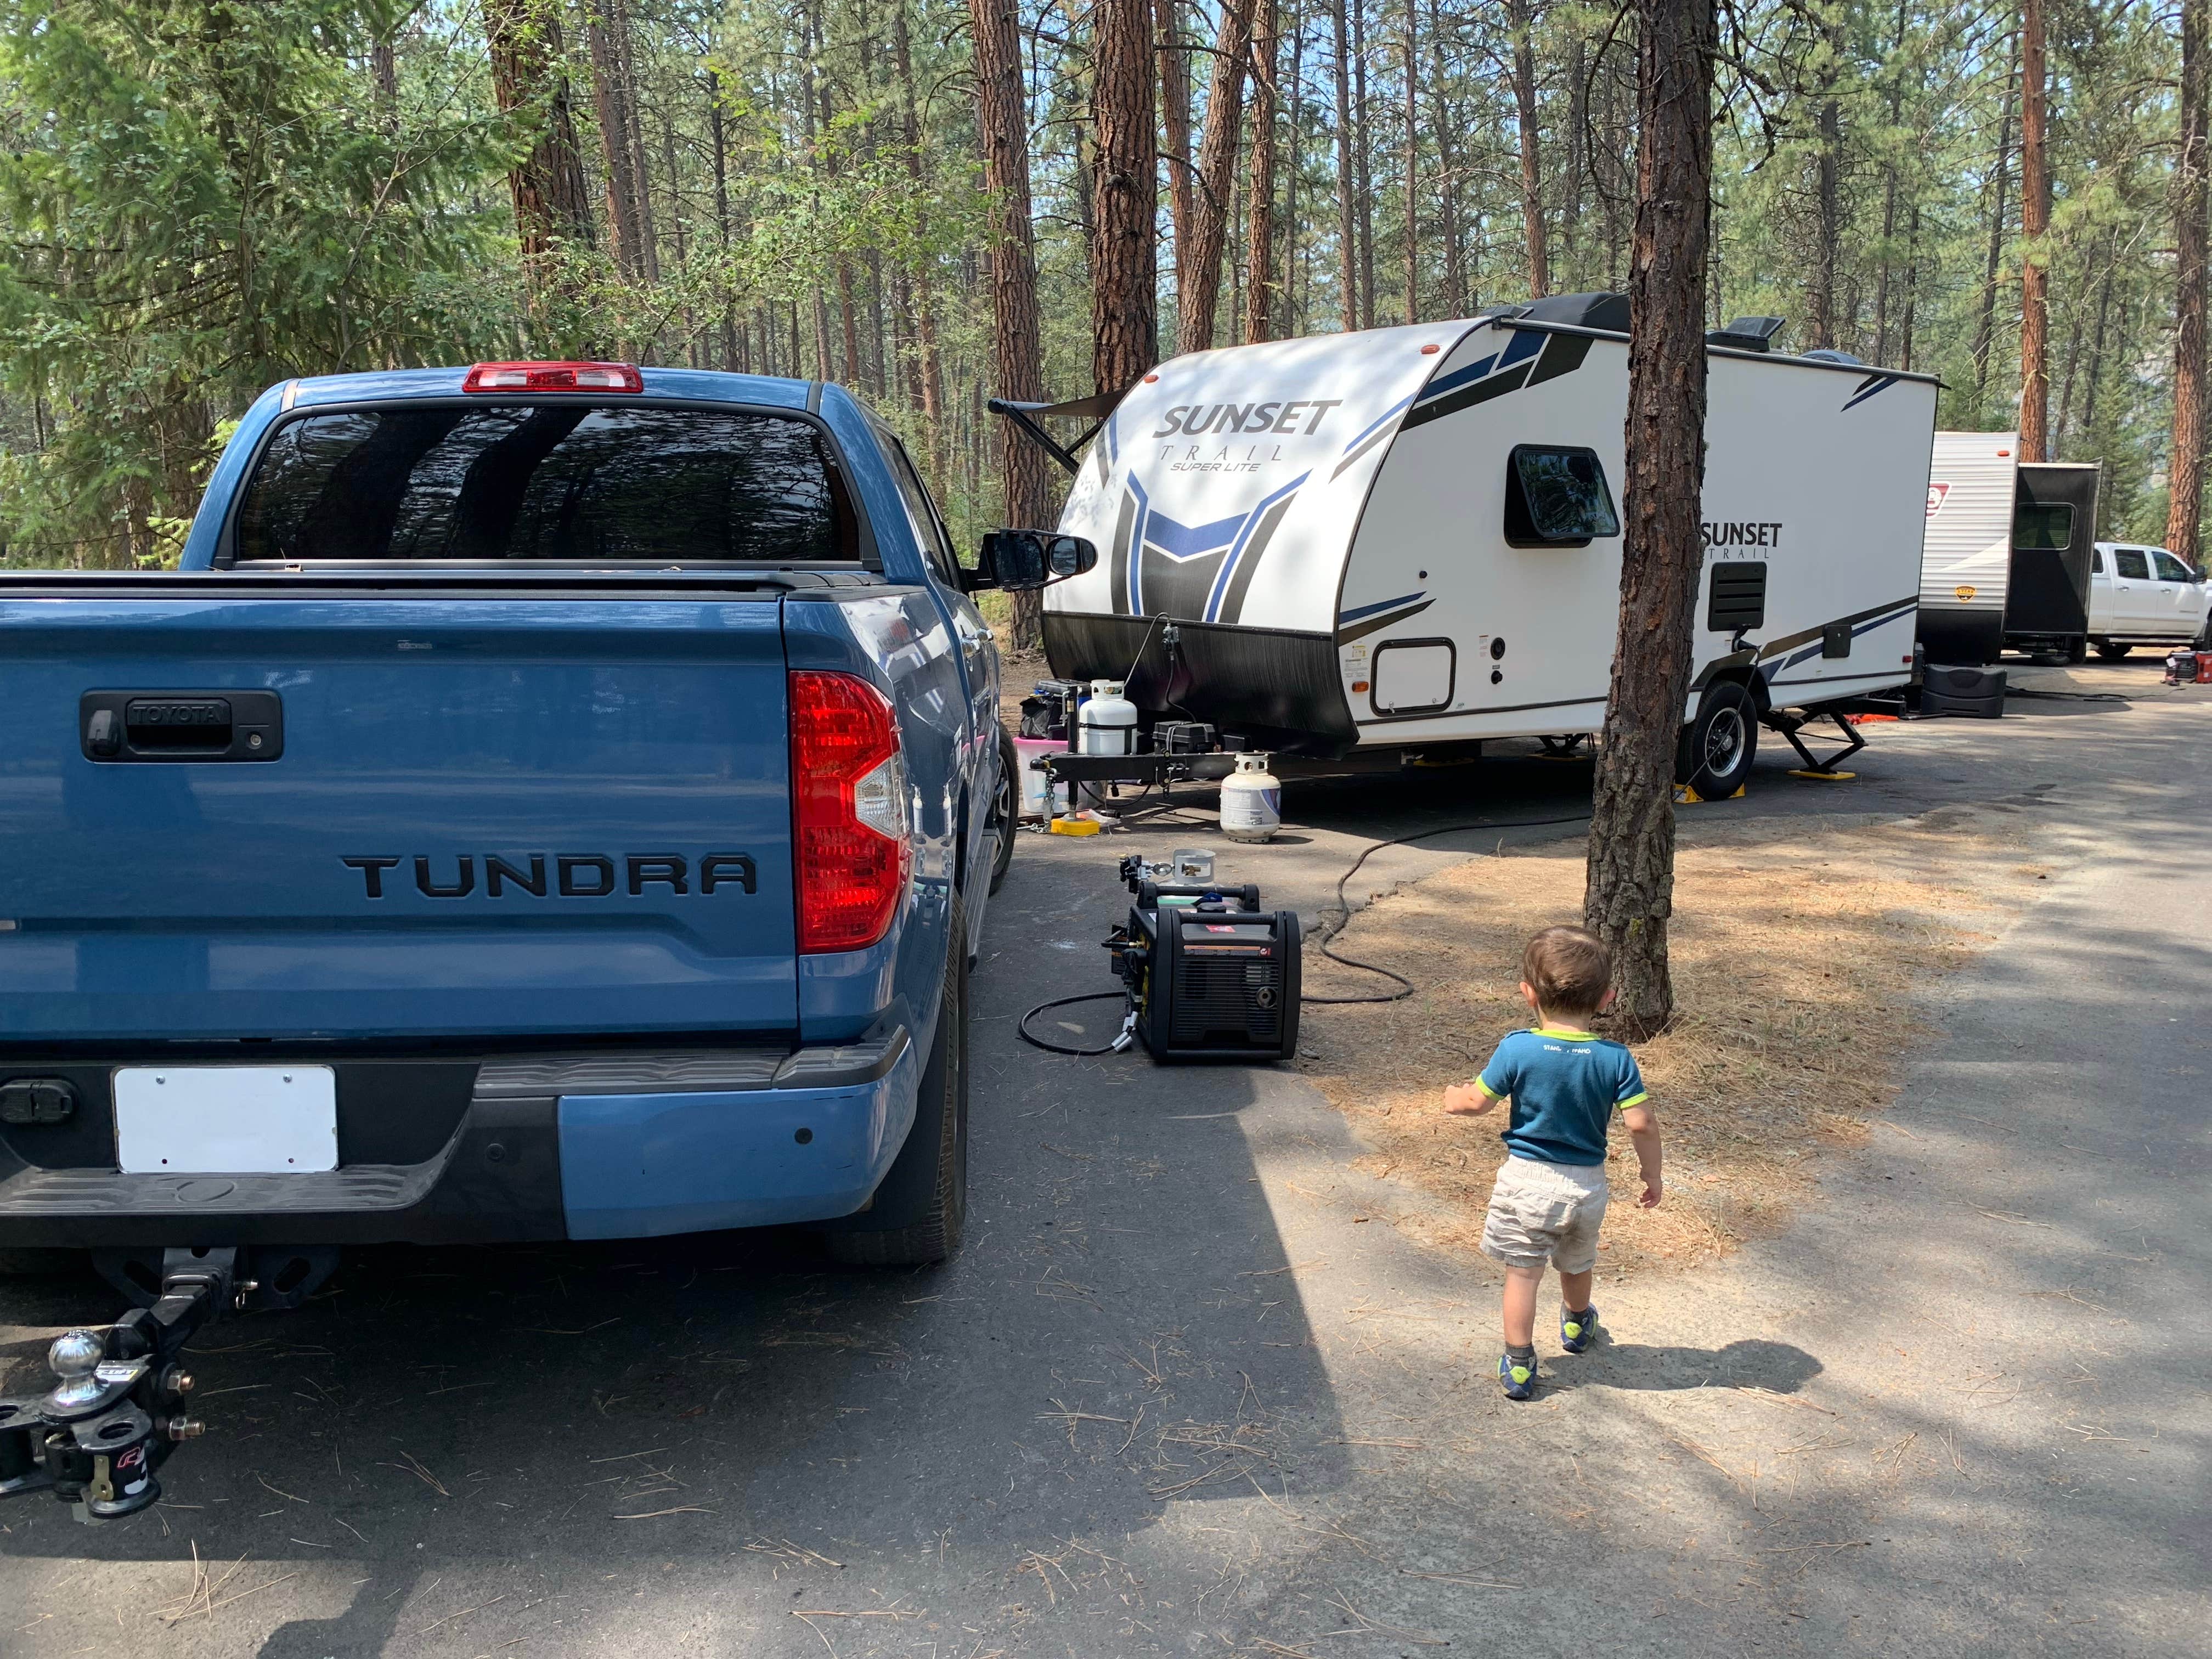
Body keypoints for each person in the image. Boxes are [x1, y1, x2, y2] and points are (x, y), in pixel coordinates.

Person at [1443, 925, 1663, 1400]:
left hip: (1526, 1181)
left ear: (1528, 994)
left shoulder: (1518, 1048)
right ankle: (1579, 1324)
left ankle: (1520, 1363)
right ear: (1608, 998)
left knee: (1523, 1274)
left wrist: (1453, 1097)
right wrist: (1652, 1173)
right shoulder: (1615, 1058)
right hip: (1587, 1186)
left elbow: (1478, 1103)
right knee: (1577, 1261)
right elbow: (1641, 1123)